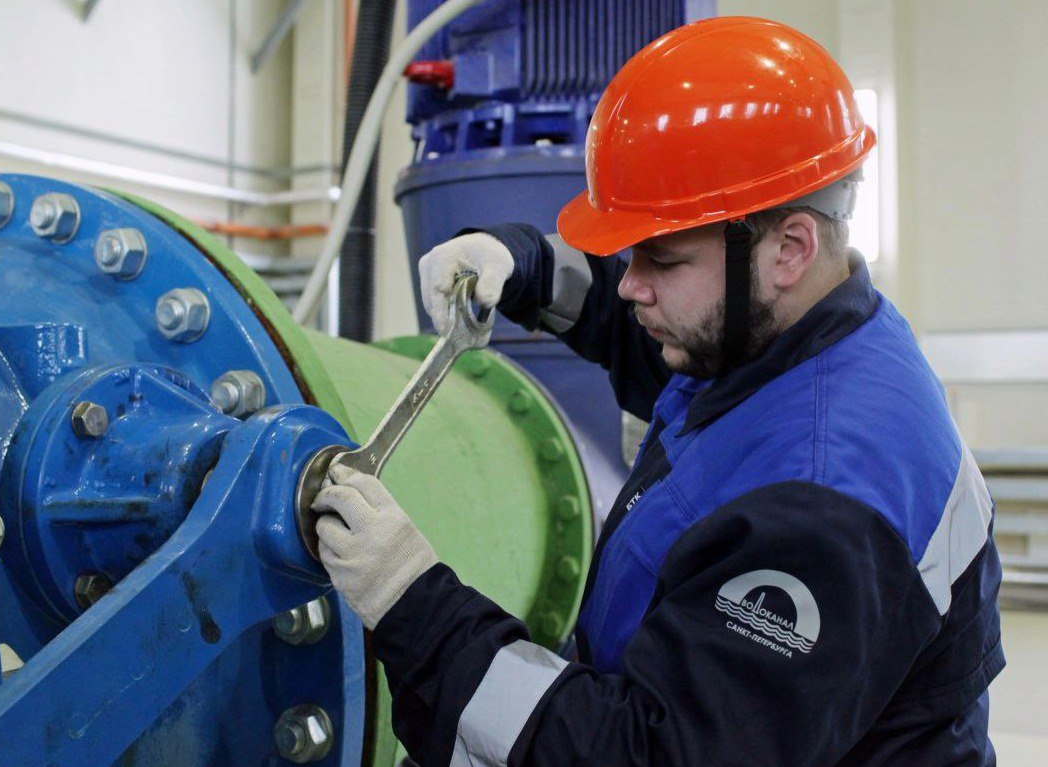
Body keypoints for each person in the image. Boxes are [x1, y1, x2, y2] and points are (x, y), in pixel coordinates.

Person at [312, 16, 1004, 767]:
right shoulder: (790, 335)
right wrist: (526, 267)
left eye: (662, 259)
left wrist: (415, 607)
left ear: (789, 247)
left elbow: (648, 753)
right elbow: (654, 340)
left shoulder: (822, 501)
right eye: (628, 254)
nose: (633, 285)